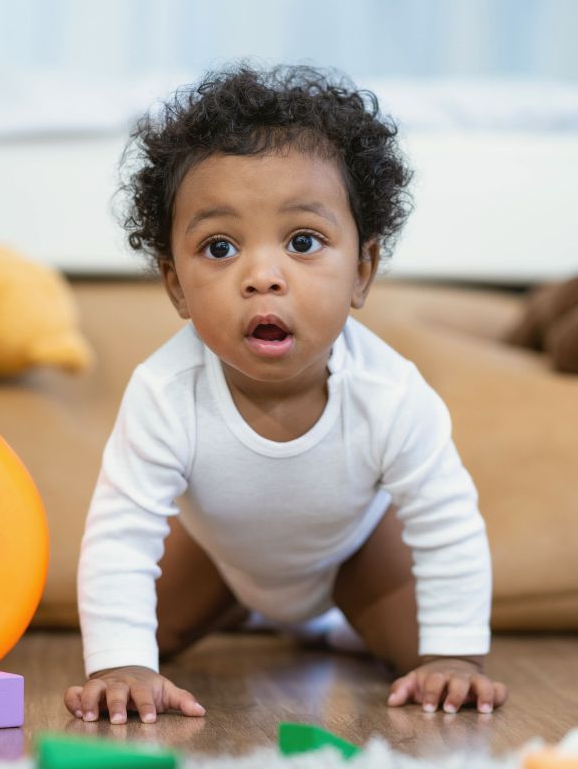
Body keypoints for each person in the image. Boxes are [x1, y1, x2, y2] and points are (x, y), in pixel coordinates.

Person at [64, 64, 508, 725]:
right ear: (176, 286)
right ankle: (242, 609)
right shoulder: (164, 392)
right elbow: (121, 536)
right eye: (220, 247)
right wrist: (121, 665)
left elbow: (448, 524)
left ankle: (334, 624)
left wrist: (456, 656)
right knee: (140, 656)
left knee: (428, 664)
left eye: (303, 242)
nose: (262, 276)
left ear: (362, 271)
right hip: (219, 559)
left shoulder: (390, 393)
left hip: (354, 558)